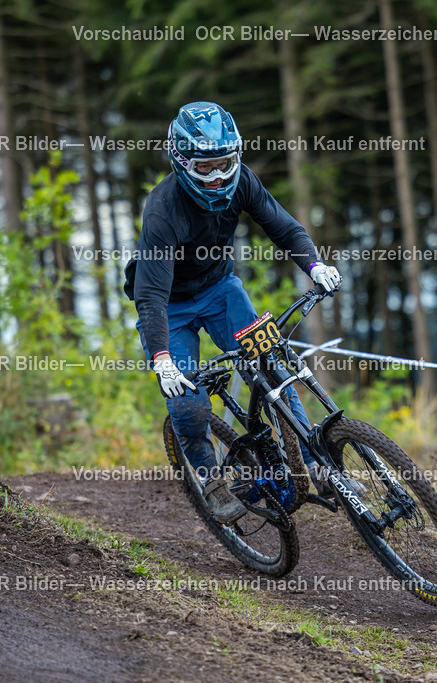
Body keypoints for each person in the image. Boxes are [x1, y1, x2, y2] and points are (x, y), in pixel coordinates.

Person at [123, 101, 342, 524]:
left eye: (225, 163)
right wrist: (163, 361)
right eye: (205, 168)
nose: (219, 175)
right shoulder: (162, 209)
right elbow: (149, 296)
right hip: (171, 306)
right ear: (182, 161)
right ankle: (211, 480)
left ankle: (314, 459)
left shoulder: (242, 181)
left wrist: (316, 265)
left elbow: (284, 227)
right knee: (187, 404)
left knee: (272, 363)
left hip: (221, 291)